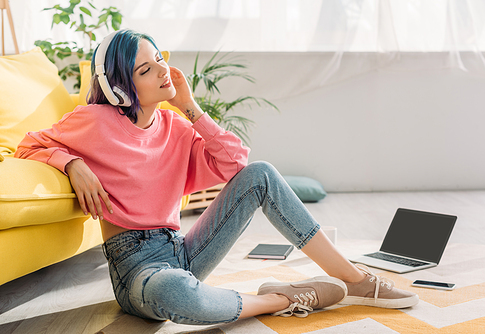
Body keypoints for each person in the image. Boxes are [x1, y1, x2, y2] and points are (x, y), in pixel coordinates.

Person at [15, 29, 418, 325]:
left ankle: (355, 279)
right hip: (136, 268)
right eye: (145, 68)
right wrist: (72, 163)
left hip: (183, 250)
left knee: (261, 173)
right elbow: (27, 145)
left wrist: (190, 106)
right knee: (174, 295)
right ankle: (283, 299)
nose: (162, 71)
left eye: (160, 59)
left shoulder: (176, 127)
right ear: (121, 88)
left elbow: (237, 166)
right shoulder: (94, 121)